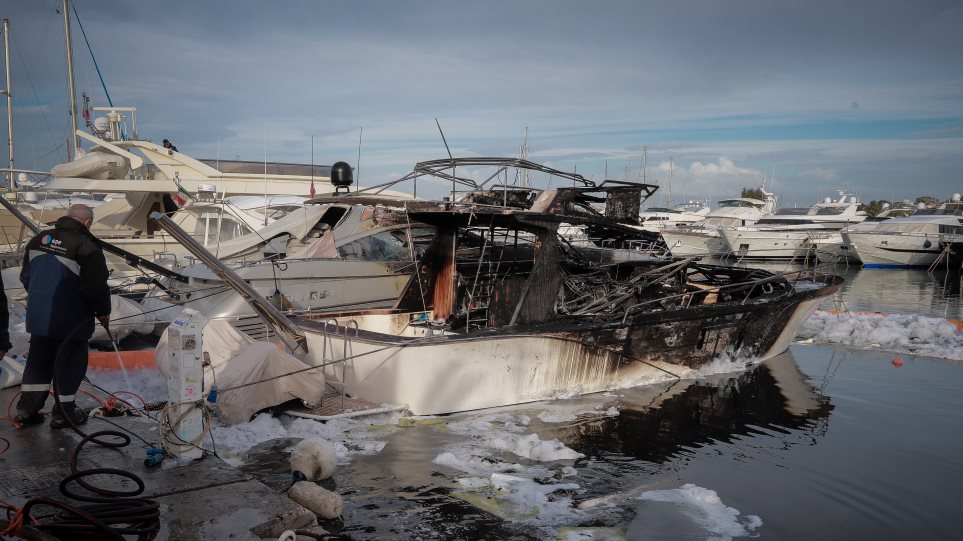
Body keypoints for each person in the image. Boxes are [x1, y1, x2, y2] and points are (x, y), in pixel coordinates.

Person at [14, 204, 111, 429]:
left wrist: (41, 300)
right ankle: (64, 413)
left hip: (39, 316)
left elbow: (26, 276)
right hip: (72, 320)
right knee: (69, 364)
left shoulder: (40, 239)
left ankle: (27, 410)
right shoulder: (86, 246)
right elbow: (96, 286)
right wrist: (103, 312)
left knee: (38, 361)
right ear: (87, 222)